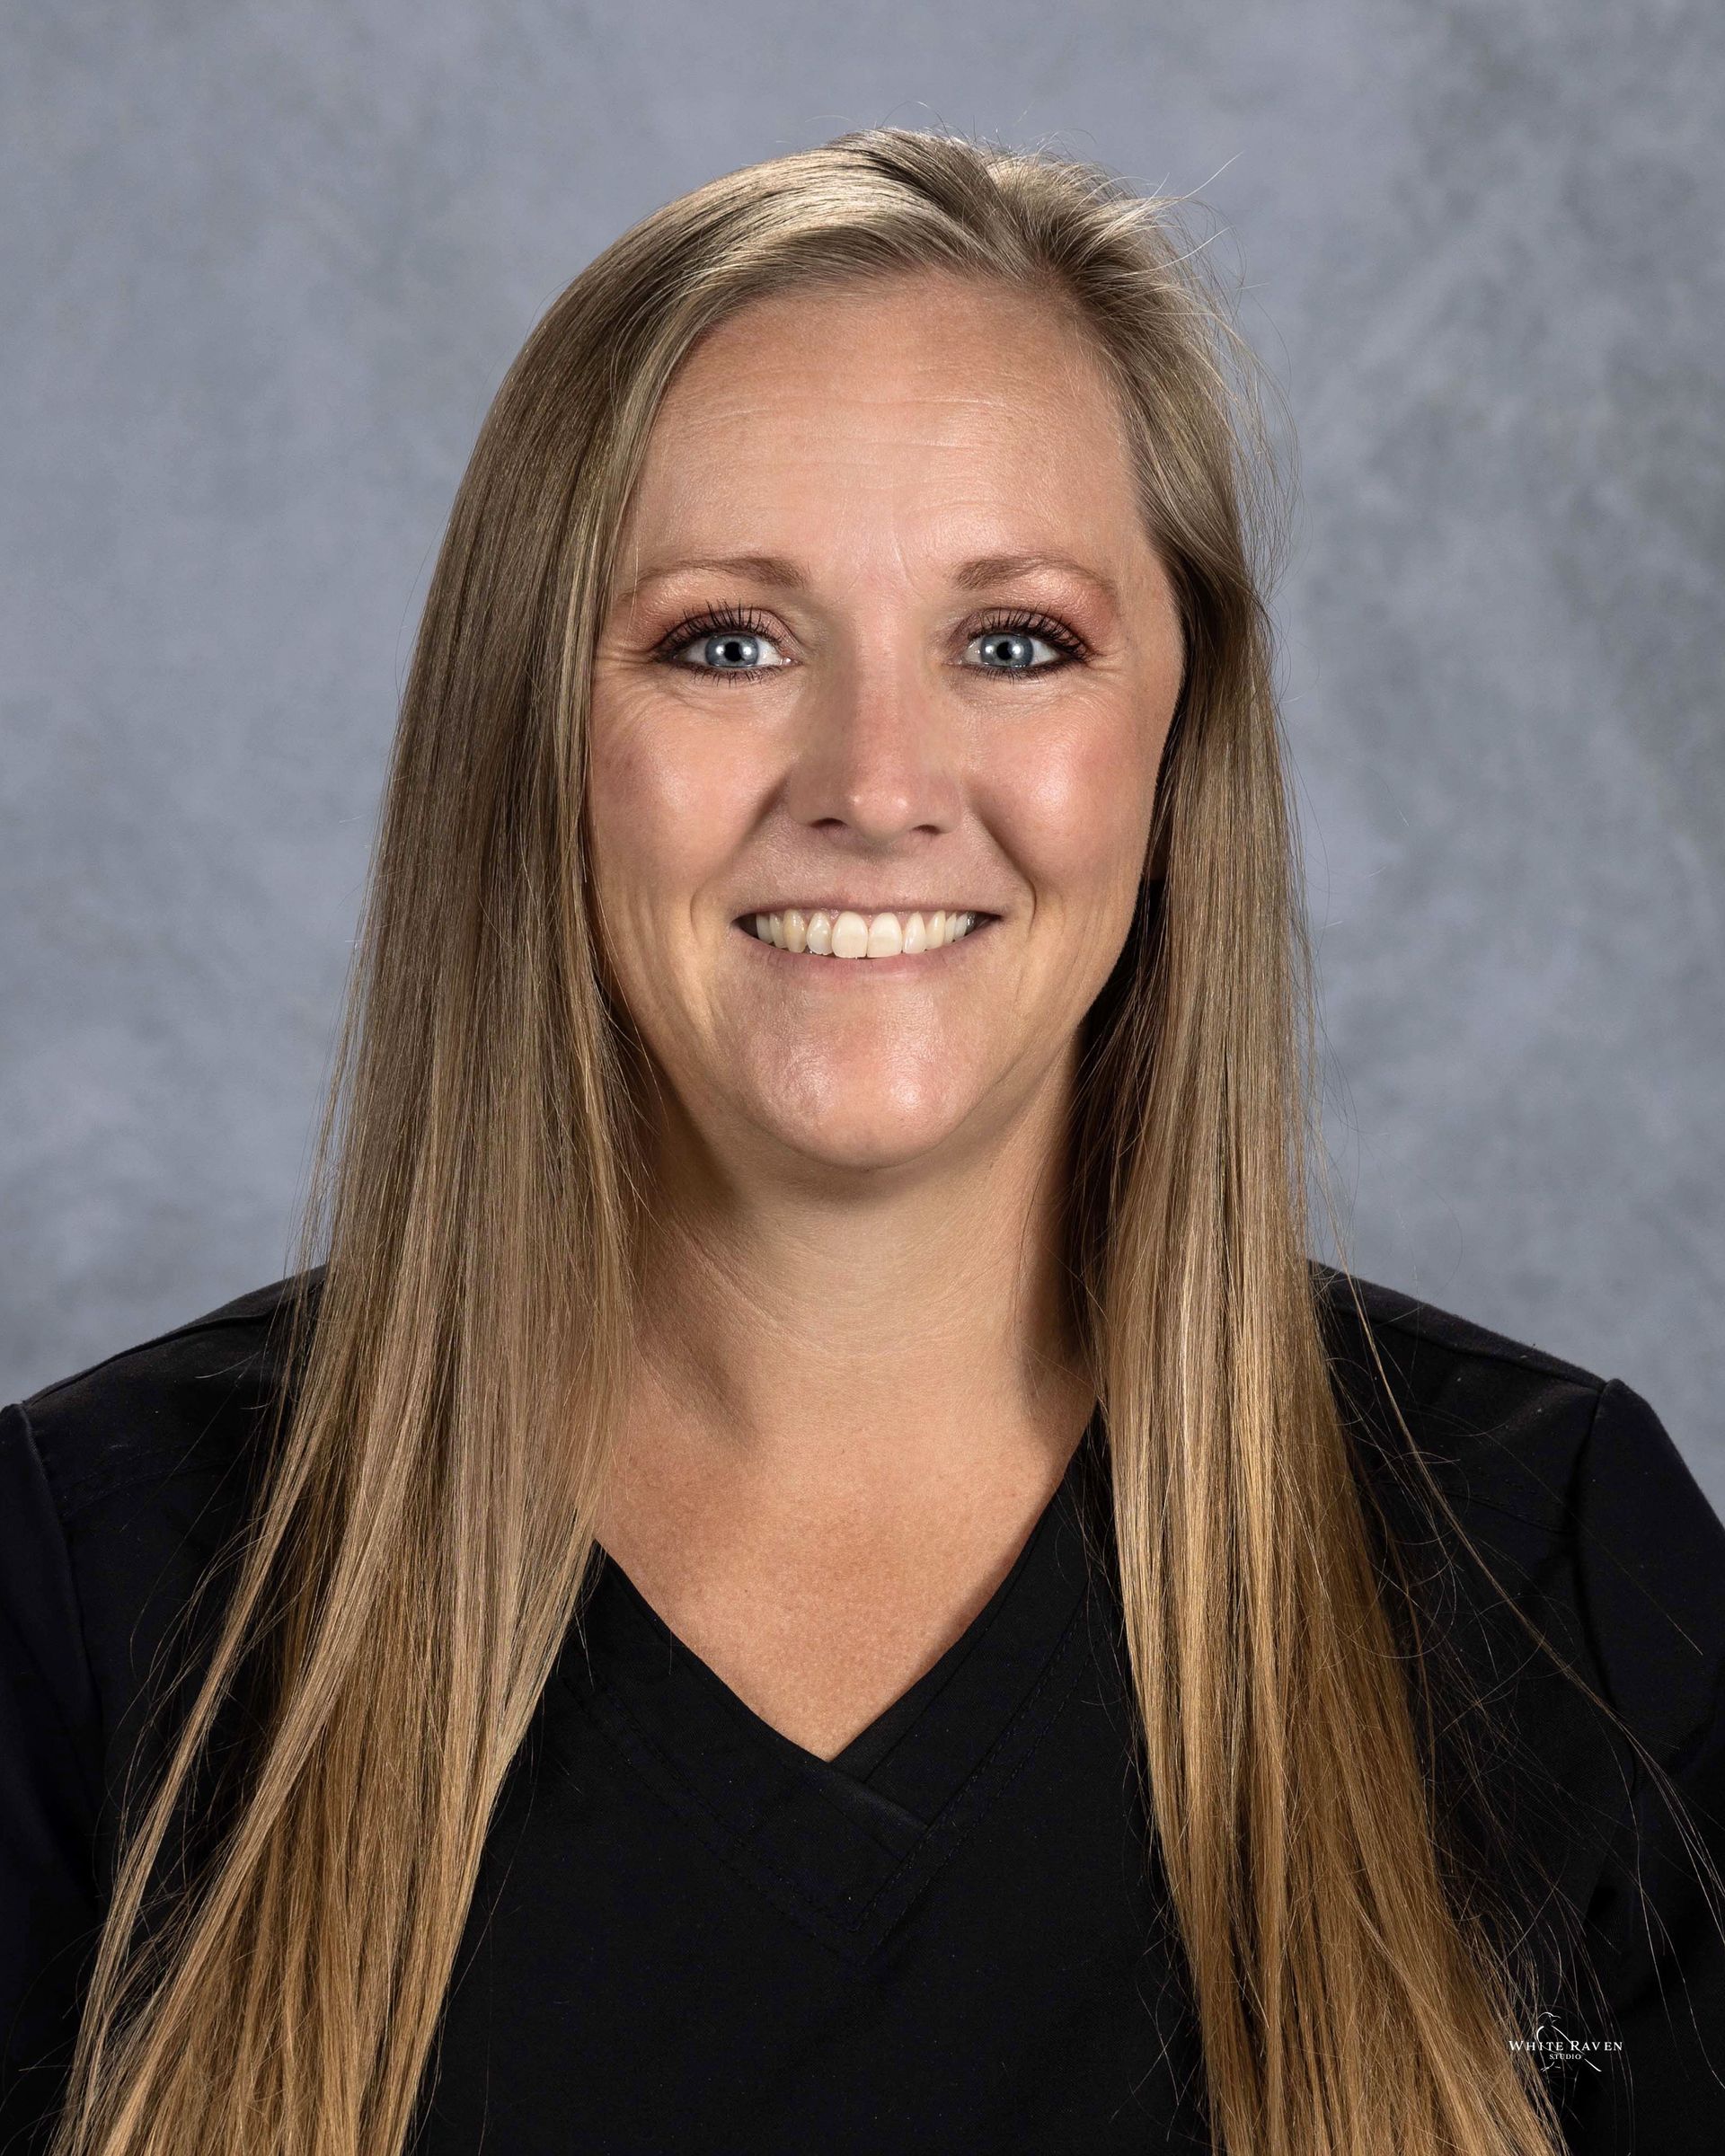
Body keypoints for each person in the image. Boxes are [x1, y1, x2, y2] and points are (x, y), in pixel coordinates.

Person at [3, 126, 1722, 2156]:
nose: (879, 786)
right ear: (536, 729)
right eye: (728, 640)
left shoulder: (1555, 1572)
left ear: (1182, 744)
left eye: (1017, 644)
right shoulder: (97, 1588)